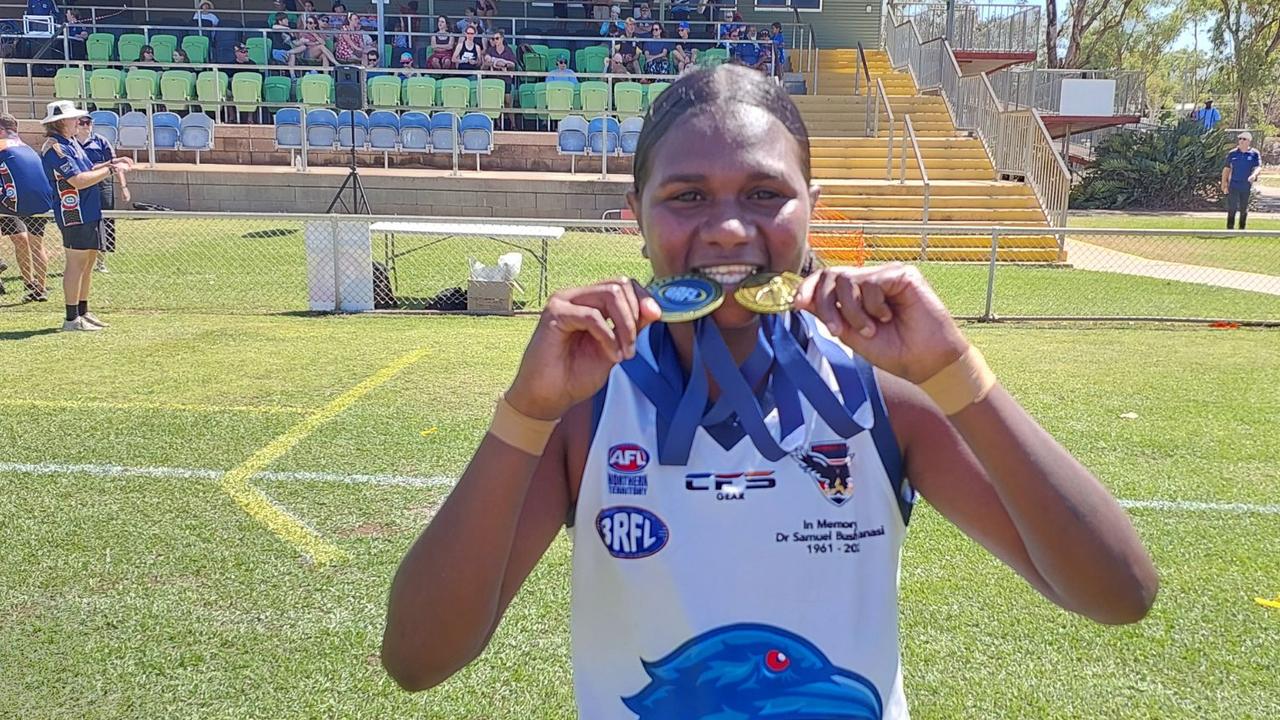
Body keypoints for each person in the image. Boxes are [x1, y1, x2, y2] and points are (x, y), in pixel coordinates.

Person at [381, 65, 1158, 717]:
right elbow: (419, 660)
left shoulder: (886, 393)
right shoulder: (585, 402)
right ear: (636, 222)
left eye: (763, 194)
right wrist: (525, 414)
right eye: (686, 197)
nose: (724, 227)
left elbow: (1117, 593)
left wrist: (958, 371)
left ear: (813, 208)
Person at [40, 100, 133, 331]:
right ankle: (71, 318)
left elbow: (87, 168)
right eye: (74, 119)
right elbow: (77, 181)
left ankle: (83, 310)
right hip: (74, 213)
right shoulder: (55, 148)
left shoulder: (71, 143)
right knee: (76, 263)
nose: (78, 123)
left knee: (89, 261)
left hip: (89, 210)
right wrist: (111, 170)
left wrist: (112, 162)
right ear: (61, 122)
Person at [0, 112, 53, 302]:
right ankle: (38, 287)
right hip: (43, 201)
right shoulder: (27, 148)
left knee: (26, 242)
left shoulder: (2, 145)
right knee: (35, 245)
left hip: (14, 202)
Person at [76, 113, 128, 273]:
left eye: (88, 123)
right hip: (80, 184)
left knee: (104, 220)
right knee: (80, 221)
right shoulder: (71, 143)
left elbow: (115, 164)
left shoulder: (101, 141)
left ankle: (101, 261)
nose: (86, 126)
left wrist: (123, 187)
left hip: (102, 185)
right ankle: (80, 258)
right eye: (82, 122)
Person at [1221, 130, 1261, 230]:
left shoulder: (1254, 153)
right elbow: (1226, 169)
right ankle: (1230, 229)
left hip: (1246, 185)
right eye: (1240, 139)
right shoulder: (1233, 153)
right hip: (1234, 185)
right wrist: (1224, 184)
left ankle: (1242, 229)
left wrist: (1254, 175)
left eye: (1244, 139)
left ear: (1249, 141)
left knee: (1243, 208)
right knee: (1232, 208)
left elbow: (1258, 167)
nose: (1241, 141)